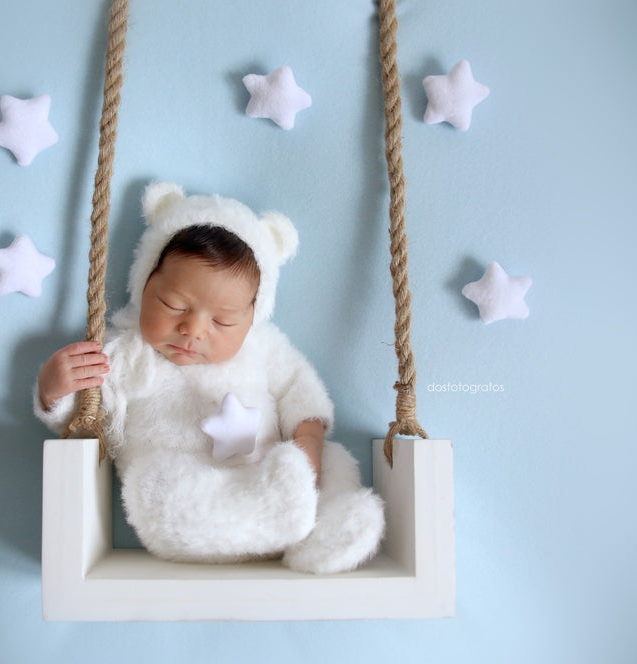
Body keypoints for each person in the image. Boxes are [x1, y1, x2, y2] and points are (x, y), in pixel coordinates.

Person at [34, 182, 384, 574]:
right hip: (195, 503)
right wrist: (56, 392)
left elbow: (299, 389)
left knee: (336, 463)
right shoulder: (129, 353)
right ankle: (275, 519)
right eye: (174, 305)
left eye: (223, 321)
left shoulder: (264, 348)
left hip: (268, 475)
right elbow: (90, 421)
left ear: (252, 317)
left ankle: (321, 535)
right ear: (143, 285)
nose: (193, 330)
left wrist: (307, 442)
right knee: (156, 483)